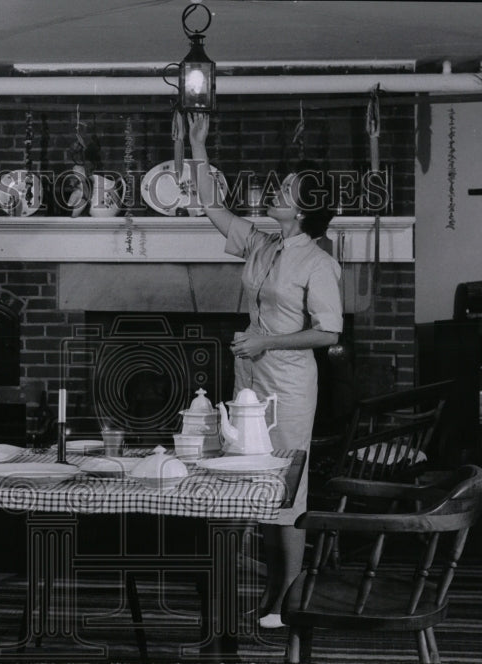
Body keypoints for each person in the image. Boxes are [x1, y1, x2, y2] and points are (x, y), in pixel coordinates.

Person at [187, 113, 344, 629]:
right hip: (251, 382)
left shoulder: (318, 262)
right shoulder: (262, 242)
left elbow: (329, 333)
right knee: (250, 481)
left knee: (287, 493)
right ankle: (272, 591)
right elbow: (211, 204)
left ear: (304, 207)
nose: (275, 189)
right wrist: (197, 146)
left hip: (291, 385)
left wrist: (266, 341)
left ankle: (287, 598)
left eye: (287, 187)